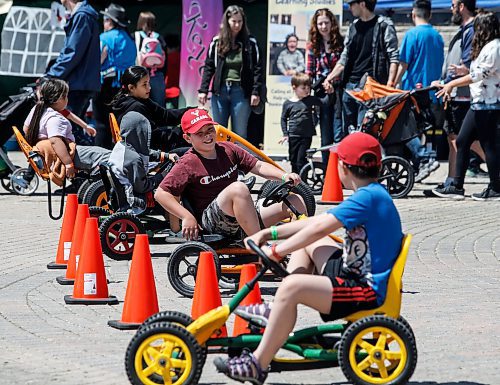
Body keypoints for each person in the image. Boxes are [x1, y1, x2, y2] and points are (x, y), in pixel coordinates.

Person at [214, 132, 403, 384]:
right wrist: (269, 233)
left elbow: (319, 227)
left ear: (342, 167)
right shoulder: (372, 193)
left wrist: (276, 250)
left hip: (365, 290)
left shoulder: (366, 199)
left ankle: (258, 364)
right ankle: (278, 308)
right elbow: (315, 223)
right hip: (356, 272)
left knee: (293, 286)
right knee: (308, 245)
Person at [154, 108, 306, 241]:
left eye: (210, 130)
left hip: (243, 217)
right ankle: (259, 246)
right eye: (200, 134)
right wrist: (186, 216)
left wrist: (284, 176)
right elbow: (161, 193)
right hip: (212, 223)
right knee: (238, 188)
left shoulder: (228, 149)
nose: (207, 136)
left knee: (295, 200)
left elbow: (258, 166)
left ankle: (302, 252)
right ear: (188, 138)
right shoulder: (187, 163)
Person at [433, 12, 499, 201]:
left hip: (489, 105)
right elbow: (476, 71)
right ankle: (456, 185)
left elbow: (479, 75)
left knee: (489, 146)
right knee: (462, 142)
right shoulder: (487, 47)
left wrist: (451, 84)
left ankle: (495, 187)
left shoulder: (495, 47)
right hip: (479, 103)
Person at [425, 0, 485, 196]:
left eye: (453, 5)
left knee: (465, 139)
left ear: (462, 6)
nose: (450, 9)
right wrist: (443, 81)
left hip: (463, 94)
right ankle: (451, 180)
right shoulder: (462, 30)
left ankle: (495, 171)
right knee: (454, 138)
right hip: (453, 92)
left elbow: (472, 67)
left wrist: (453, 80)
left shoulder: (473, 30)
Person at [326, 0, 399, 132]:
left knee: (364, 131)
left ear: (362, 4)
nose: (349, 8)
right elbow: (344, 57)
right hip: (350, 87)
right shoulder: (353, 26)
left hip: (370, 87)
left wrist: (389, 84)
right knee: (347, 131)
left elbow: (393, 56)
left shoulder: (383, 25)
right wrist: (329, 78)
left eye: (351, 4)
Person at [394, 0, 444, 182]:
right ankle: (418, 165)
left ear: (413, 15)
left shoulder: (412, 35)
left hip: (413, 91)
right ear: (430, 14)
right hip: (432, 92)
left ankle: (424, 159)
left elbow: (403, 64)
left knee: (405, 130)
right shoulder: (438, 36)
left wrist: (392, 84)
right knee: (420, 130)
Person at [198, 5, 263, 140]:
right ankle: (220, 161)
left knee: (239, 133)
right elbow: (209, 66)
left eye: (240, 21)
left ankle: (239, 161)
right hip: (220, 91)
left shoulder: (250, 42)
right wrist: (203, 89)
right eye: (234, 21)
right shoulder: (217, 42)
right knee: (218, 131)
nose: (237, 25)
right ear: (227, 21)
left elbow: (258, 68)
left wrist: (255, 92)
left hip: (241, 91)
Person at [24, 79, 109, 180]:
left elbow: (26, 128)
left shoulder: (38, 109)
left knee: (96, 151)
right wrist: (68, 164)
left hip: (54, 152)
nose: (68, 99)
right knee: (104, 154)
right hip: (65, 155)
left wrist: (85, 126)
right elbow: (56, 141)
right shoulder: (54, 118)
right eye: (66, 96)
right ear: (59, 99)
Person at [46, 0, 100, 146]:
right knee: (74, 130)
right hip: (82, 82)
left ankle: (94, 163)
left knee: (71, 132)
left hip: (78, 83)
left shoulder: (82, 16)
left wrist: (51, 75)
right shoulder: (84, 15)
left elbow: (72, 52)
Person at [107, 111, 176, 215]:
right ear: (138, 132)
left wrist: (165, 155)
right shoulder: (133, 159)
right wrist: (163, 176)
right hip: (134, 198)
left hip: (124, 187)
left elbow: (144, 152)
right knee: (170, 191)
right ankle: (172, 223)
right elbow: (143, 187)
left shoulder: (122, 145)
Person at [111, 66, 189, 152]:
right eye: (144, 84)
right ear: (131, 88)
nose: (149, 87)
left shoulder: (139, 99)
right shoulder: (135, 107)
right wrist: (185, 132)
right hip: (149, 154)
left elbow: (164, 115)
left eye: (148, 83)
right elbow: (156, 139)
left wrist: (191, 112)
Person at [92, 3, 136, 150]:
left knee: (101, 122)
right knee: (120, 120)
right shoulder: (130, 39)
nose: (103, 23)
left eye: (105, 19)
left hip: (106, 83)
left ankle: (101, 155)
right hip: (125, 85)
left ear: (110, 21)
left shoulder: (105, 38)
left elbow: (98, 60)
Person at [305, 8, 344, 166]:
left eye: (326, 22)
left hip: (339, 91)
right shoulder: (312, 46)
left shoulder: (340, 43)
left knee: (339, 132)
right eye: (320, 23)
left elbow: (344, 66)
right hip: (322, 94)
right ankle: (329, 172)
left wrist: (332, 81)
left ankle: (342, 171)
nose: (323, 26)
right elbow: (309, 72)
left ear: (332, 23)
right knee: (325, 134)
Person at [279, 73, 320, 174]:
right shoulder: (288, 103)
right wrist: (285, 134)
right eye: (303, 88)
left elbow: (323, 102)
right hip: (293, 135)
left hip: (306, 135)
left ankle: (303, 182)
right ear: (294, 87)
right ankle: (295, 181)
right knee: (293, 159)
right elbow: (283, 118)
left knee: (301, 159)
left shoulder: (310, 100)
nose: (307, 90)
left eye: (308, 87)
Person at [135, 11, 167, 107]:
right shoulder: (159, 37)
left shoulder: (135, 36)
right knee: (159, 105)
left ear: (141, 22)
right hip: (157, 74)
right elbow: (165, 58)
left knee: (141, 104)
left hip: (141, 74)